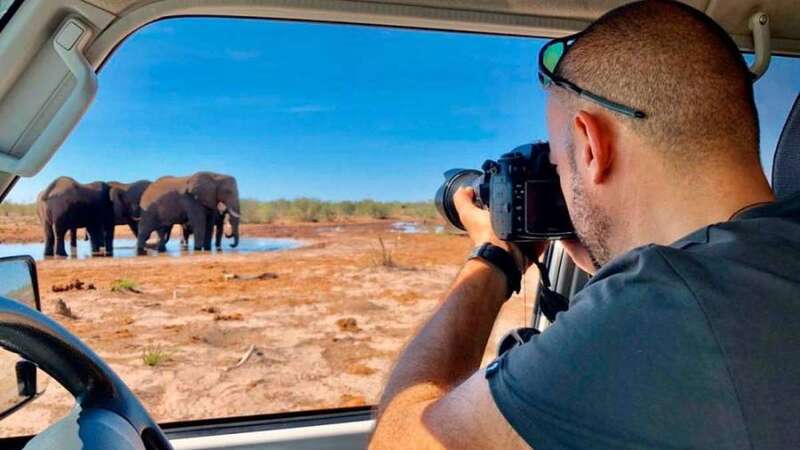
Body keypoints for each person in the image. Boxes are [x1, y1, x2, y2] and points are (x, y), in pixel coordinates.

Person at [370, 1, 800, 448]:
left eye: (558, 164)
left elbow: (398, 442)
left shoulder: (661, 306)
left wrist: (493, 255)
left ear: (592, 145)